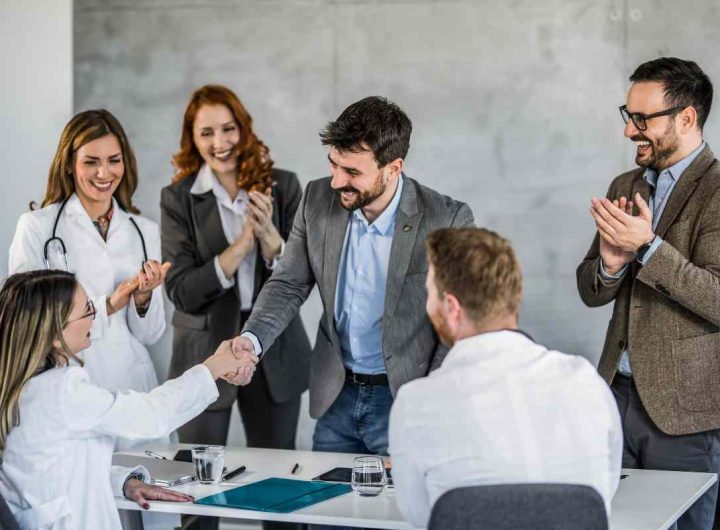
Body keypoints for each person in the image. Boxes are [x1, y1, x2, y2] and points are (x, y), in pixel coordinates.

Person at [231, 96, 474, 457]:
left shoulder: (447, 219)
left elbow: (459, 324)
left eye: (352, 173)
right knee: (324, 511)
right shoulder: (315, 198)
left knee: (396, 513)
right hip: (335, 396)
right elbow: (289, 282)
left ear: (393, 168)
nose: (335, 182)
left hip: (406, 402)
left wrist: (428, 403)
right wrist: (251, 340)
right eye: (333, 165)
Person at [390, 228, 622, 529]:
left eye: (430, 292)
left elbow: (423, 518)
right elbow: (601, 496)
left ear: (451, 307)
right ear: (515, 295)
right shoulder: (586, 383)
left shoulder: (415, 402)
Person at [577, 57, 720, 529]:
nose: (629, 131)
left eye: (643, 120)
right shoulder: (626, 184)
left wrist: (648, 246)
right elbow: (591, 289)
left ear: (686, 118)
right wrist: (612, 266)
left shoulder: (718, 190)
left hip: (685, 414)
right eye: (628, 115)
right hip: (614, 399)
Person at [0, 269, 257, 530]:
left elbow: (55, 472)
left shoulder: (20, 388)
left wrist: (123, 481)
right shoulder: (61, 390)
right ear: (55, 335)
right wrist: (214, 366)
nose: (94, 314)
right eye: (87, 308)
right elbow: (152, 416)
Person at [161, 85, 310, 530]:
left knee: (279, 487)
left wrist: (270, 240)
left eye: (229, 129)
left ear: (244, 130)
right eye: (207, 132)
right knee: (196, 492)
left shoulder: (284, 186)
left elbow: (304, 274)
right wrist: (242, 243)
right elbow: (182, 290)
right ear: (193, 137)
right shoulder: (178, 197)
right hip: (204, 350)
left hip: (274, 347)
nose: (220, 142)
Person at [9, 109, 168, 399]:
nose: (104, 173)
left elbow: (151, 335)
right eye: (91, 162)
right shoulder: (37, 227)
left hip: (133, 386)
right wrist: (106, 305)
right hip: (69, 385)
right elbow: (27, 323)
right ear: (69, 164)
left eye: (113, 161)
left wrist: (143, 299)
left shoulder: (144, 231)